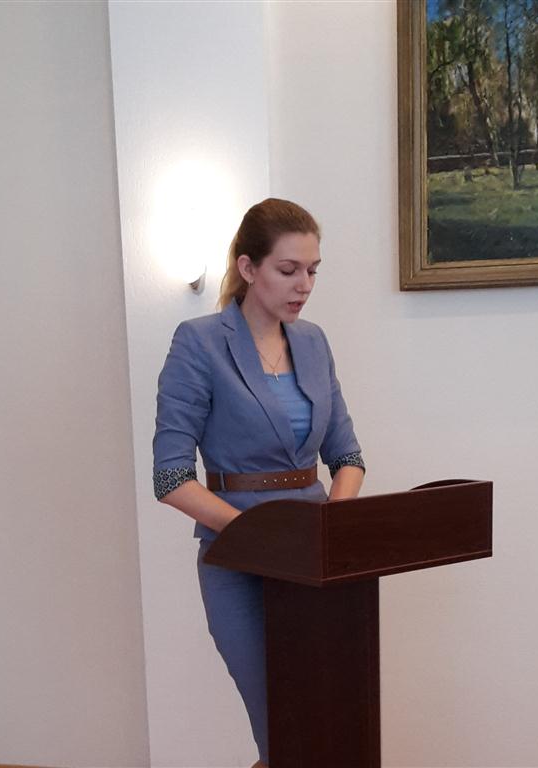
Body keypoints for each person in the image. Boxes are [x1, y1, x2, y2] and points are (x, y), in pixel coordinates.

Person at [152, 198, 365, 768]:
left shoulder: (314, 342)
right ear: (248, 268)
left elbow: (347, 455)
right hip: (239, 559)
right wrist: (261, 537)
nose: (305, 285)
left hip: (316, 561)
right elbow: (170, 477)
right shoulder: (199, 341)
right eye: (288, 270)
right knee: (282, 725)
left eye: (313, 270)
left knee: (327, 722)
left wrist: (334, 529)